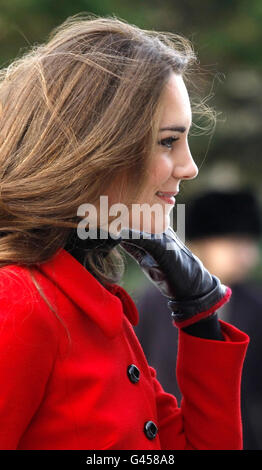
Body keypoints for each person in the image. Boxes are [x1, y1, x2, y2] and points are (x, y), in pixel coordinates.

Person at [0, 13, 249, 450]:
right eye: (168, 141)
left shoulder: (89, 303)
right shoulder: (18, 302)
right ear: (97, 146)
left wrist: (201, 315)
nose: (190, 167)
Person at [135, 188, 262, 449]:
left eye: (249, 244)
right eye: (235, 243)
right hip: (163, 437)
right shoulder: (152, 302)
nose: (247, 255)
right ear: (201, 243)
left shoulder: (256, 304)